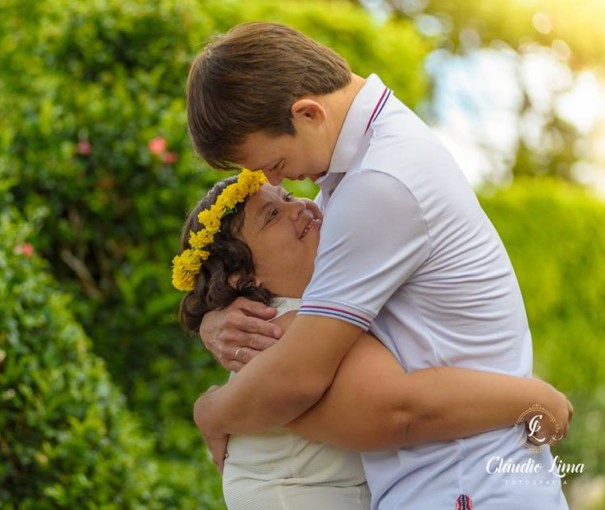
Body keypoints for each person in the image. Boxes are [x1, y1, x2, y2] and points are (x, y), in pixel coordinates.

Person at [184, 22, 570, 509]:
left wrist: (210, 412)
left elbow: (300, 380)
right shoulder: (361, 159)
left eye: (276, 165)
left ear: (307, 113)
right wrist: (218, 315)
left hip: (461, 485)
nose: (286, 182)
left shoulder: (379, 183)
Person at [172, 170, 571, 510]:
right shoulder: (287, 329)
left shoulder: (291, 311)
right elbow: (405, 410)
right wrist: (533, 399)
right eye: (273, 214)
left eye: (290, 195)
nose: (304, 208)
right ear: (244, 278)